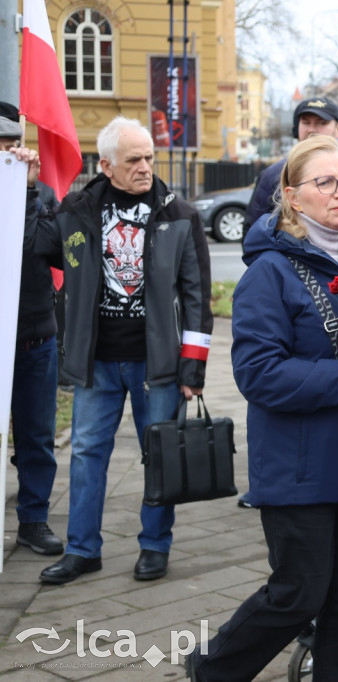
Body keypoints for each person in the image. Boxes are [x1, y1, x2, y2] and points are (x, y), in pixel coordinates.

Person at [187, 136, 338, 681]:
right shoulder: (269, 271)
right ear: (291, 195)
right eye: (324, 182)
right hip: (299, 463)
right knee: (297, 593)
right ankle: (212, 670)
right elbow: (258, 374)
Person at [28, 116, 212, 584]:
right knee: (87, 454)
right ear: (106, 165)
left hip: (160, 364)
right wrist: (29, 190)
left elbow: (196, 295)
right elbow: (34, 243)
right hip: (97, 362)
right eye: (134, 160)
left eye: (149, 157)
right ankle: (82, 550)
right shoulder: (76, 210)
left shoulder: (179, 215)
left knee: (160, 455)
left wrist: (194, 367)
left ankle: (155, 547)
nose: (146, 167)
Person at [3, 111, 63, 556]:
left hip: (35, 337)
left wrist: (25, 193)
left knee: (36, 436)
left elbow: (45, 250)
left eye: (11, 143)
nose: (7, 152)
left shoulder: (39, 193)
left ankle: (33, 519)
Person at [242, 97, 338, 242]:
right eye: (306, 122)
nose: (312, 130)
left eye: (322, 123)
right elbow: (253, 233)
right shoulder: (273, 175)